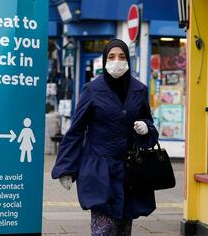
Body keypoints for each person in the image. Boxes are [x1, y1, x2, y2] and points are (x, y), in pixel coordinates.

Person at [51, 39, 159, 235]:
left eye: (121, 56)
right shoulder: (92, 90)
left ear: (128, 60)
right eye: (111, 57)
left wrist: (146, 129)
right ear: (104, 60)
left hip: (129, 172)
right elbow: (76, 130)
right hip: (99, 169)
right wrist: (66, 168)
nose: (116, 61)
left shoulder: (139, 90)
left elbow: (148, 122)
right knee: (104, 228)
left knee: (123, 228)